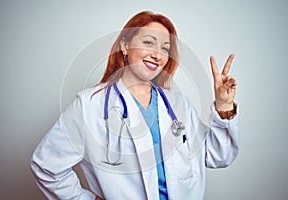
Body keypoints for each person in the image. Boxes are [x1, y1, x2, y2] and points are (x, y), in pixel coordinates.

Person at [30, 11, 239, 200]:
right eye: (149, 43)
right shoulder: (90, 105)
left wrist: (223, 105)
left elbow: (217, 156)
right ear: (125, 46)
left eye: (165, 48)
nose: (157, 54)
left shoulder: (178, 104)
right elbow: (46, 165)